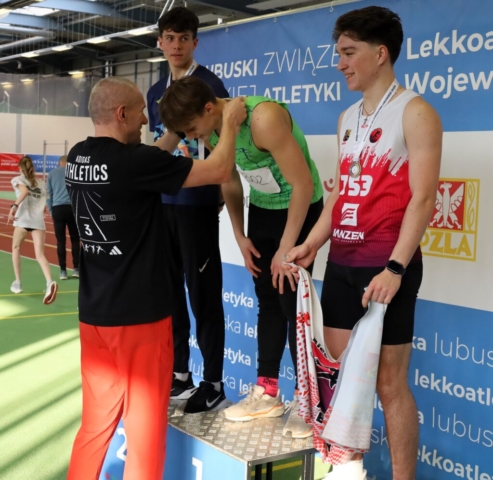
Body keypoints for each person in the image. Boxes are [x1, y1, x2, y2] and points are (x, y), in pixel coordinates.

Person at [285, 6, 442, 480]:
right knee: (340, 381)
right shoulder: (347, 117)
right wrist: (313, 243)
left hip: (387, 266)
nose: (340, 63)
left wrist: (395, 269)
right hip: (342, 263)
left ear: (380, 53)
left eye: (349, 53)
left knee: (389, 384)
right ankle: (348, 471)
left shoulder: (416, 112)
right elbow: (339, 196)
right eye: (339, 53)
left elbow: (423, 198)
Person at [65, 76, 245, 480]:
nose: (146, 119)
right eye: (140, 112)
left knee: (94, 428)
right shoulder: (135, 163)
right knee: (145, 437)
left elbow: (146, 161)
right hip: (140, 321)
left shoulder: (78, 156)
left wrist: (176, 132)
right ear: (122, 114)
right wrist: (231, 123)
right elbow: (219, 169)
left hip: (94, 318)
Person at [160, 76, 324, 438]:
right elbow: (230, 179)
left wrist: (286, 248)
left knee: (291, 303)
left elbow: (303, 185)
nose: (191, 138)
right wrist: (239, 233)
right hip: (263, 209)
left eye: (192, 129)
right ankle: (267, 391)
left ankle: (307, 401)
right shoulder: (217, 128)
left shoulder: (263, 118)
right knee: (267, 299)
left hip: (299, 208)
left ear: (209, 108)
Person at [147, 6, 230, 413]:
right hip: (162, 205)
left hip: (197, 205)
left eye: (184, 38)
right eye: (170, 37)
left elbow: (225, 148)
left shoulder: (211, 86)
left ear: (195, 42)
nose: (176, 45)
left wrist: (219, 196)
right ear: (160, 42)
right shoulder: (154, 92)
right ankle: (180, 373)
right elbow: (154, 149)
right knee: (169, 296)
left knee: (203, 296)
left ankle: (213, 382)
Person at [8, 155, 58, 305]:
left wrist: (14, 206)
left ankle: (18, 282)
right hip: (38, 222)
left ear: (20, 168)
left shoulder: (17, 179)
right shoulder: (40, 183)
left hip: (22, 220)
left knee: (16, 248)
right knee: (40, 255)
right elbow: (44, 206)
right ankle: (49, 282)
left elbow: (24, 192)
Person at [47, 155, 80, 280]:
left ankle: (63, 271)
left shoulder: (52, 174)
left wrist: (51, 210)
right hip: (72, 209)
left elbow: (48, 194)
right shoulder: (75, 173)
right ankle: (76, 269)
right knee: (75, 240)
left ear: (59, 163)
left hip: (58, 209)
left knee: (60, 241)